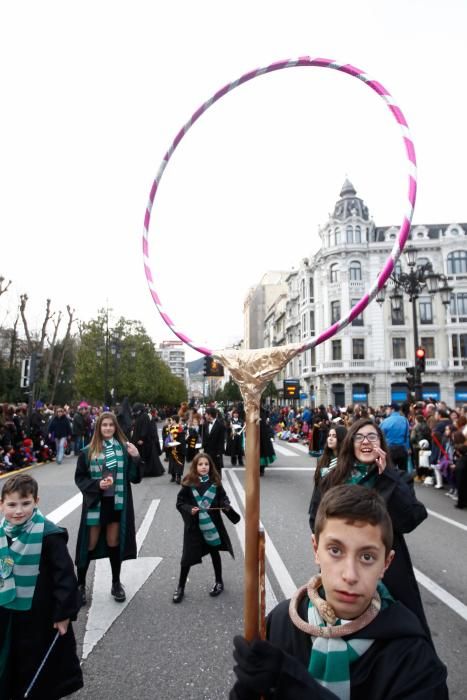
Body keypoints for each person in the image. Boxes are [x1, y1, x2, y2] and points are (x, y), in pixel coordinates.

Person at [230, 484, 448, 700]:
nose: (350, 575)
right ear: (316, 549)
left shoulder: (413, 657)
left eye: (367, 557)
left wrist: (293, 685)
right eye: (335, 551)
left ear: (386, 563)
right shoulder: (280, 622)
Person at [308, 418, 429, 635]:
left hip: (385, 568)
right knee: (339, 624)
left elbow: (412, 518)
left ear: (381, 444)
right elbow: (314, 518)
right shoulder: (332, 478)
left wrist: (388, 476)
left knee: (394, 630)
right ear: (350, 443)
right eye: (359, 437)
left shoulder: (397, 478)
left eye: (372, 437)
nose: (366, 441)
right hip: (341, 563)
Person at [0, 474, 83, 699]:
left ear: (36, 501)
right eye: (12, 504)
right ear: (1, 505)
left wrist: (64, 613)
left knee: (35, 662)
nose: (19, 511)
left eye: (26, 503)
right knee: (9, 658)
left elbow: (64, 576)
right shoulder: (1, 533)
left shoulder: (48, 534)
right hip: (7, 609)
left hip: (39, 614)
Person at [74, 411, 142, 606]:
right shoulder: (88, 451)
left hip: (117, 502)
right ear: (98, 427)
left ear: (115, 427)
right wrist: (96, 486)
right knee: (90, 544)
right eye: (104, 425)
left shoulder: (124, 450)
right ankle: (80, 585)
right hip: (96, 503)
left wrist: (136, 457)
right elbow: (80, 478)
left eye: (111, 425)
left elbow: (134, 478)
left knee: (114, 543)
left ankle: (115, 582)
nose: (107, 428)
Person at [173, 452, 240, 603]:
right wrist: (190, 509)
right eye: (200, 464)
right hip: (195, 527)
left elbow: (223, 498)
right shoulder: (188, 484)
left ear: (210, 467)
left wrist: (225, 505)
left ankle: (219, 582)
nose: (204, 467)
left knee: (214, 553)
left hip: (212, 526)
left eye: (206, 464)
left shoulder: (215, 483)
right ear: (195, 467)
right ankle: (181, 587)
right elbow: (180, 503)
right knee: (187, 558)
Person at [308, 425, 347, 515]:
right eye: (329, 435)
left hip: (337, 504)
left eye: (334, 436)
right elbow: (317, 486)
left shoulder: (347, 460)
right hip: (322, 500)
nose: (330, 438)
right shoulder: (323, 458)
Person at [379, 403, 410, 471]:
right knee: (403, 472)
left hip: (390, 449)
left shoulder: (385, 422)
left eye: (387, 409)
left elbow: (379, 435)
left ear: (392, 409)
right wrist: (408, 448)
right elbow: (407, 436)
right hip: (402, 449)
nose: (386, 411)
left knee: (390, 472)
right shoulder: (405, 420)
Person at [202, 407, 226, 475]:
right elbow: (204, 437)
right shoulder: (205, 424)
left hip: (216, 452)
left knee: (216, 469)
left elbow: (221, 440)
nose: (205, 416)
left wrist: (220, 452)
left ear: (210, 415)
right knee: (208, 468)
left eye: (206, 414)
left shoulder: (220, 426)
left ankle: (217, 482)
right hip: (207, 450)